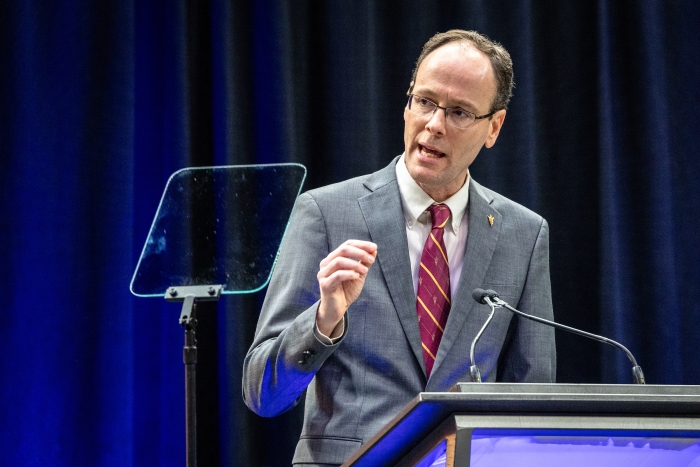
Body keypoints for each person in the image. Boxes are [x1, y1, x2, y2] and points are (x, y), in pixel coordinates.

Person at [243, 29, 556, 466]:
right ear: (407, 101)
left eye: (460, 112)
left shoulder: (523, 235)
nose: (434, 124)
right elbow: (263, 393)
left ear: (494, 127)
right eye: (425, 101)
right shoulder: (325, 213)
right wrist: (323, 320)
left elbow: (532, 400)